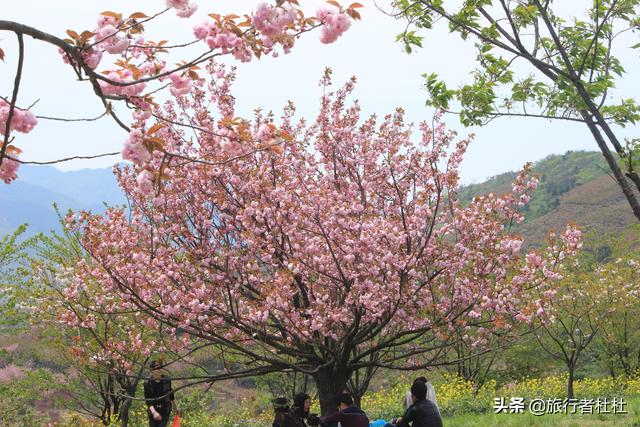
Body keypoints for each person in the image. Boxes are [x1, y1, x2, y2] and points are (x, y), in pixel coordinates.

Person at [143, 360, 179, 427]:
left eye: (160, 368)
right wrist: (154, 412)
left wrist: (175, 407)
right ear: (152, 370)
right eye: (157, 368)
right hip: (153, 410)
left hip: (165, 409)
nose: (159, 370)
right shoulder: (148, 383)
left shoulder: (166, 380)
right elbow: (148, 400)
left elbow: (170, 394)